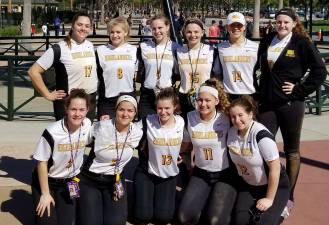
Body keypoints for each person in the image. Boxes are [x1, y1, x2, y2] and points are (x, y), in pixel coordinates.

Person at [256, 7, 327, 216]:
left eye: (286, 22)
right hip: (267, 104)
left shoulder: (301, 43)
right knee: (263, 147)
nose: (282, 25)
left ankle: (288, 195)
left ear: (294, 23)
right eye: (279, 22)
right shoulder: (268, 39)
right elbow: (258, 67)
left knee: (292, 151)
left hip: (291, 105)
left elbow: (320, 71)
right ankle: (268, 188)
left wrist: (299, 89)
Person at [178, 78, 236, 225]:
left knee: (214, 221)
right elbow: (185, 143)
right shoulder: (190, 117)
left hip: (225, 174)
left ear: (216, 101)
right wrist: (176, 154)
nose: (203, 104)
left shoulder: (226, 118)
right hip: (201, 173)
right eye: (200, 100)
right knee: (184, 217)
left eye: (208, 100)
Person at [78, 95, 143, 225]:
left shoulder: (137, 132)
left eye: (130, 111)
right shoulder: (101, 127)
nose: (125, 114)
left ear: (135, 113)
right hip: (91, 180)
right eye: (121, 109)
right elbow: (79, 141)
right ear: (115, 110)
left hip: (115, 180)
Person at [31, 89, 92, 225]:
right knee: (47, 221)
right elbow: (41, 163)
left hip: (70, 181)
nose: (77, 114)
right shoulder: (52, 132)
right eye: (73, 109)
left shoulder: (87, 124)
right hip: (48, 181)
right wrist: (45, 194)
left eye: (82, 109)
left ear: (87, 110)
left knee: (68, 222)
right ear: (66, 109)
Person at [227, 95, 290, 225]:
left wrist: (269, 199)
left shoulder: (261, 135)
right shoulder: (232, 133)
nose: (237, 120)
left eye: (240, 115)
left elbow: (275, 168)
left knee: (262, 223)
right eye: (233, 117)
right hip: (249, 185)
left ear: (250, 114)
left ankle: (282, 209)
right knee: (241, 221)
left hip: (274, 186)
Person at [28, 12, 98, 121]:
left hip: (89, 101)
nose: (83, 28)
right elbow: (33, 72)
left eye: (87, 26)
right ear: (72, 25)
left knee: (85, 137)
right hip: (69, 103)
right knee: (67, 137)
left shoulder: (90, 45)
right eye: (80, 24)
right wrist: (47, 94)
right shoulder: (59, 48)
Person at [134, 87, 185, 224]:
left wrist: (182, 154)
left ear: (175, 107)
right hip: (147, 173)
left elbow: (189, 141)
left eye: (167, 108)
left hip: (169, 175)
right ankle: (136, 195)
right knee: (143, 216)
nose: (163, 112)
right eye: (159, 108)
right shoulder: (148, 121)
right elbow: (128, 129)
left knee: (164, 218)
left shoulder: (181, 122)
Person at [137, 14, 180, 119]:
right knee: (145, 126)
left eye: (160, 28)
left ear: (167, 27)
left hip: (167, 94)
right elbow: (139, 71)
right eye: (154, 29)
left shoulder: (176, 48)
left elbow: (179, 73)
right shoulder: (144, 46)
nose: (157, 31)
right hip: (147, 95)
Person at [177, 18, 220, 118]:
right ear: (184, 33)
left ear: (202, 33)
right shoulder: (178, 51)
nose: (193, 35)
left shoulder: (211, 51)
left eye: (196, 32)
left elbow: (217, 75)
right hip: (185, 96)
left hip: (205, 96)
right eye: (189, 32)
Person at [96, 16, 137, 120]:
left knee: (126, 132)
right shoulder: (100, 50)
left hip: (128, 98)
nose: (115, 35)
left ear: (125, 32)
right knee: (106, 132)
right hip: (107, 100)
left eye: (118, 32)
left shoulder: (134, 50)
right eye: (112, 32)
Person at [217, 12, 259, 100]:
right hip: (228, 94)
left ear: (244, 27)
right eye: (232, 25)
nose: (236, 28)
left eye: (239, 25)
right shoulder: (220, 48)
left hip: (249, 93)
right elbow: (217, 72)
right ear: (227, 27)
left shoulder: (255, 47)